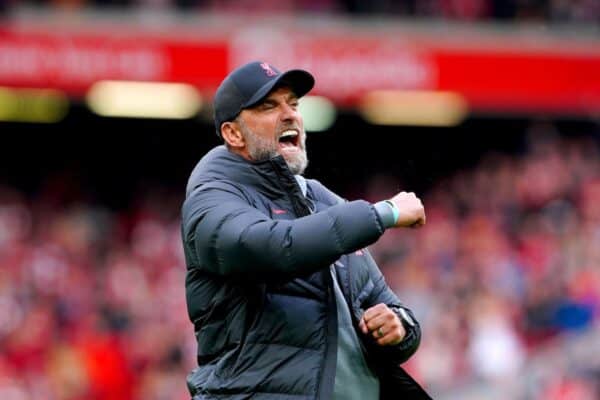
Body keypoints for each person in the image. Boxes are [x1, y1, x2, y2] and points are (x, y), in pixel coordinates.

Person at [181, 61, 431, 399]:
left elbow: (389, 307)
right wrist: (382, 213)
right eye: (269, 106)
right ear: (233, 133)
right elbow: (276, 247)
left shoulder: (326, 203)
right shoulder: (213, 197)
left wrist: (397, 327)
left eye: (293, 104)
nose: (290, 115)